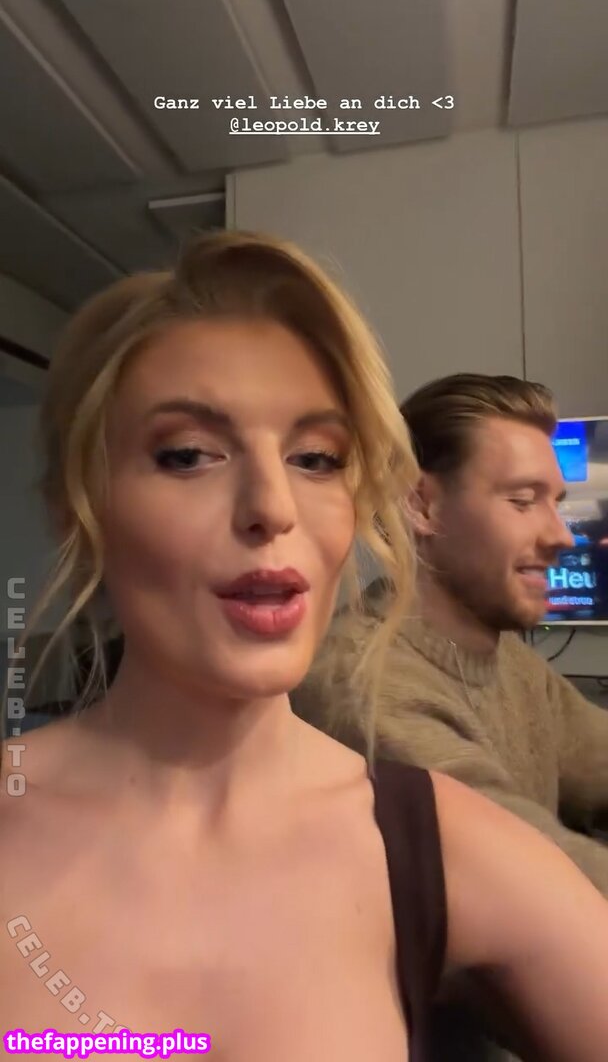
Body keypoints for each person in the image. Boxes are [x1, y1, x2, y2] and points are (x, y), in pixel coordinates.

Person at [1, 240, 608, 1062]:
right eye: (188, 455)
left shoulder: (436, 842)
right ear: (78, 506)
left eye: (317, 459)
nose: (273, 505)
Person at [293, 371, 608, 1058]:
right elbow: (546, 879)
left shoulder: (508, 661)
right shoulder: (362, 687)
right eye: (523, 501)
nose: (561, 535)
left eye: (556, 503)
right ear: (423, 506)